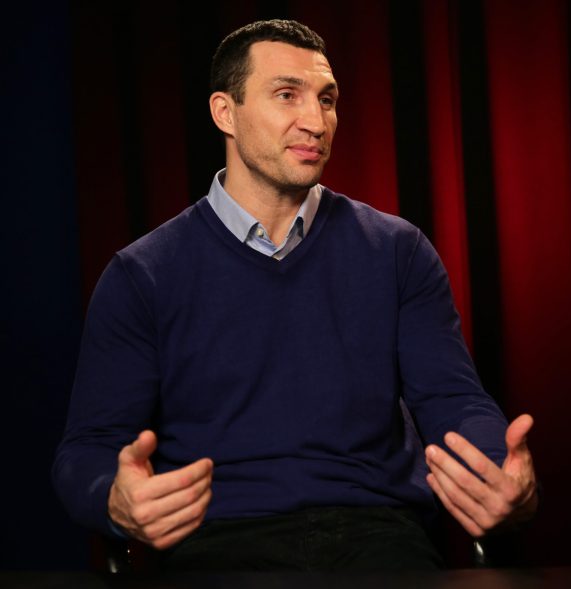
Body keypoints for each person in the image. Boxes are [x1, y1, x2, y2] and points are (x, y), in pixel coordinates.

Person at [52, 19, 538, 571]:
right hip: (215, 543)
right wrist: (114, 501)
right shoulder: (142, 274)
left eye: (327, 99)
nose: (317, 121)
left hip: (377, 535)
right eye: (288, 95)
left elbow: (453, 400)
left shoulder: (397, 250)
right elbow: (88, 447)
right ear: (224, 112)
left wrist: (499, 467)